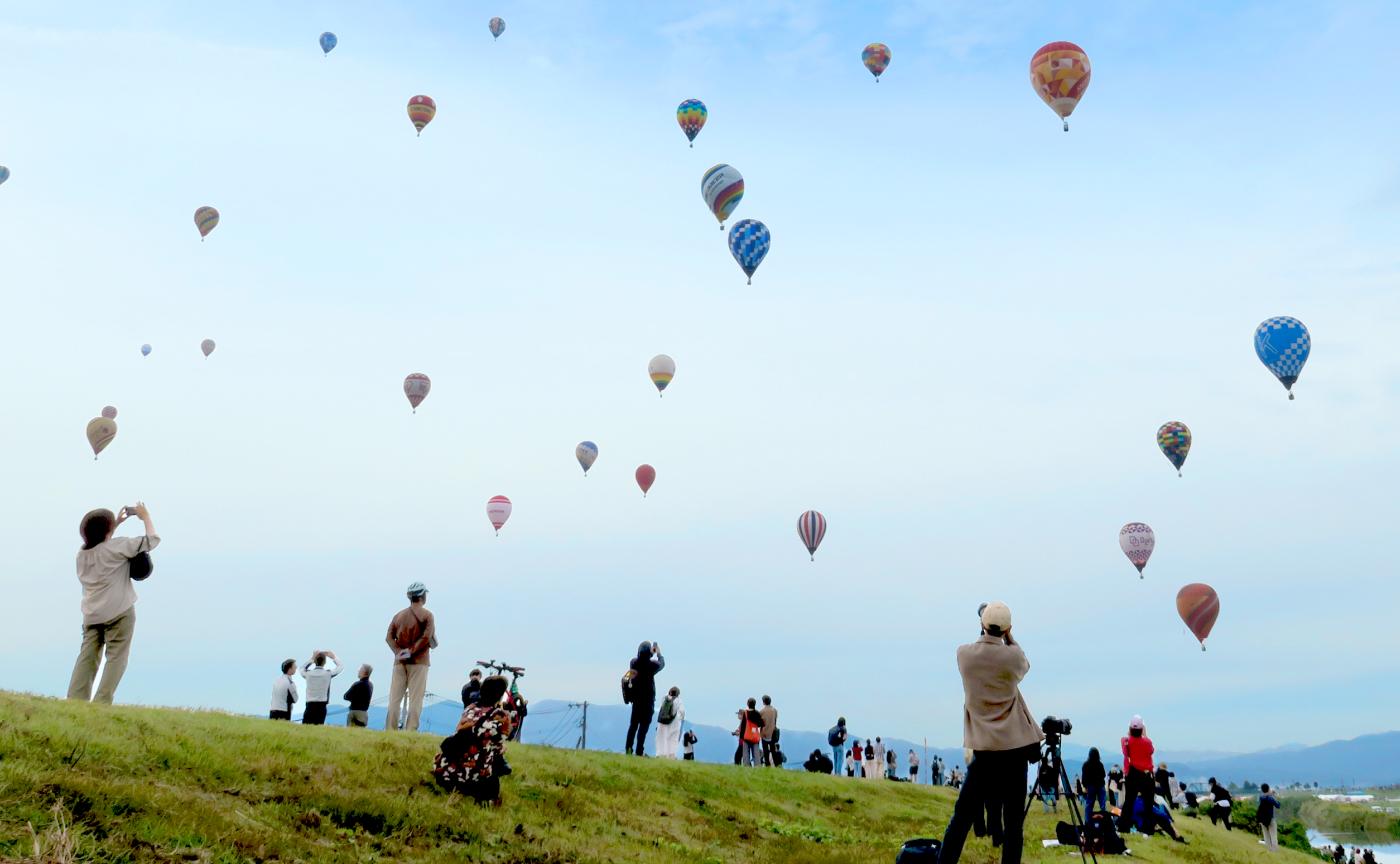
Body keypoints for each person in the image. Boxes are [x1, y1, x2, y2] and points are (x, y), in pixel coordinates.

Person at [936, 601, 1043, 864]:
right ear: (1008, 629)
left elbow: (977, 646)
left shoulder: (964, 655)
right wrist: (1010, 637)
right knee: (1013, 825)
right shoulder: (1013, 657)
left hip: (983, 751)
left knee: (961, 819)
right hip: (1014, 751)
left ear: (982, 624)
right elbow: (1024, 664)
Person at [67, 504, 160, 704]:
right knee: (116, 657)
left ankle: (75, 700)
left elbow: (100, 542)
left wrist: (115, 524)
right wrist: (145, 517)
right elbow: (153, 540)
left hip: (92, 615)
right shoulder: (118, 546)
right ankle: (102, 702)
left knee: (87, 657)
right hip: (119, 611)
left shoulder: (82, 555)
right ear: (108, 531)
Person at [432, 674, 522, 806]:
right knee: (497, 754)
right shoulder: (502, 716)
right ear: (500, 695)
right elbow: (500, 741)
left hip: (447, 773)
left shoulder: (470, 708)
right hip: (475, 777)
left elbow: (459, 730)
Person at [385, 581, 436, 732]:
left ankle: (390, 729)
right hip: (419, 661)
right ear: (422, 596)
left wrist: (398, 652)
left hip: (399, 662)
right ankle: (410, 729)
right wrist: (411, 651)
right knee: (416, 698)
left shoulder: (398, 615)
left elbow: (388, 638)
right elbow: (426, 637)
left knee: (394, 699)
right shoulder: (427, 615)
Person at [1116, 715, 1157, 835]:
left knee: (1129, 801)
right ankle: (1148, 828)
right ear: (1141, 728)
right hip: (1146, 775)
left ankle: (1124, 826)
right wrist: (1145, 734)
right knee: (1148, 803)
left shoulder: (1126, 741)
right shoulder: (1147, 742)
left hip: (1132, 774)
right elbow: (1151, 751)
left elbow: (1125, 749)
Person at [623, 641, 664, 756]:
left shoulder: (633, 663)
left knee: (633, 726)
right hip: (648, 702)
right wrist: (658, 653)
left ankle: (628, 750)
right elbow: (662, 664)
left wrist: (648, 653)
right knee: (643, 727)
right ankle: (639, 751)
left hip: (636, 700)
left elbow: (640, 661)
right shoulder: (652, 666)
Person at [299, 650, 344, 725]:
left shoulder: (308, 674)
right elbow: (340, 667)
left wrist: (312, 658)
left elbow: (301, 668)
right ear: (324, 662)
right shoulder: (328, 674)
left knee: (306, 728)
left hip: (310, 705)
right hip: (321, 706)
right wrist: (333, 657)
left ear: (315, 661)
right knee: (318, 728)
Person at [654, 686, 685, 759]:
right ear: (678, 694)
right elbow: (682, 711)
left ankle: (660, 754)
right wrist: (680, 718)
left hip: (662, 722)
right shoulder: (678, 700)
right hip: (674, 723)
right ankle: (671, 755)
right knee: (672, 739)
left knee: (661, 738)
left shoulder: (665, 698)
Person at [735, 698, 763, 767]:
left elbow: (744, 725)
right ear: (755, 704)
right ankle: (757, 767)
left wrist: (741, 737)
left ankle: (747, 767)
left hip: (746, 736)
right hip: (755, 736)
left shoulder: (746, 713)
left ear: (748, 704)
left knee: (746, 754)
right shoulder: (757, 713)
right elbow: (761, 723)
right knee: (756, 754)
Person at [1081, 747, 1107, 819]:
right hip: (1100, 785)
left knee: (1089, 804)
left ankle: (1087, 820)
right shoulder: (1100, 764)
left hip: (1090, 786)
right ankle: (1104, 819)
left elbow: (1084, 778)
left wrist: (1085, 786)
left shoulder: (1086, 764)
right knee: (1102, 804)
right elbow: (1103, 775)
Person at [1258, 783, 1281, 851]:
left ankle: (1269, 849)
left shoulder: (1261, 797)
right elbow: (1278, 806)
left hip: (1263, 819)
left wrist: (1269, 793)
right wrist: (1274, 795)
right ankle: (1275, 850)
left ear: (1262, 790)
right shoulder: (1271, 798)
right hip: (1270, 819)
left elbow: (1264, 796)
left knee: (1266, 835)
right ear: (1268, 789)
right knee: (1273, 835)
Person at [759, 695, 779, 767]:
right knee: (773, 750)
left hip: (764, 732)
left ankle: (767, 764)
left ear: (763, 702)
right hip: (772, 732)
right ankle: (776, 765)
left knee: (765, 750)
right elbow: (775, 721)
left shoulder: (761, 711)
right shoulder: (775, 710)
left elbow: (759, 723)